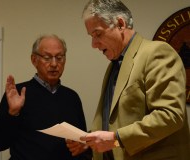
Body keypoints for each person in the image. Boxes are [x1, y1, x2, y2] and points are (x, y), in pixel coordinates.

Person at [79, 0, 190, 160]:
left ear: (120, 24)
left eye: (97, 34)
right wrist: (91, 140)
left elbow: (170, 115)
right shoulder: (114, 65)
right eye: (91, 36)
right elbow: (118, 121)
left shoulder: (156, 52)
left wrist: (116, 139)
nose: (93, 44)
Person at [0, 34, 92, 160]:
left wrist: (85, 146)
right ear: (34, 60)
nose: (54, 64)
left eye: (59, 57)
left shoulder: (72, 97)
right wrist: (13, 113)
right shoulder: (17, 94)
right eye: (47, 58)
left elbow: (81, 145)